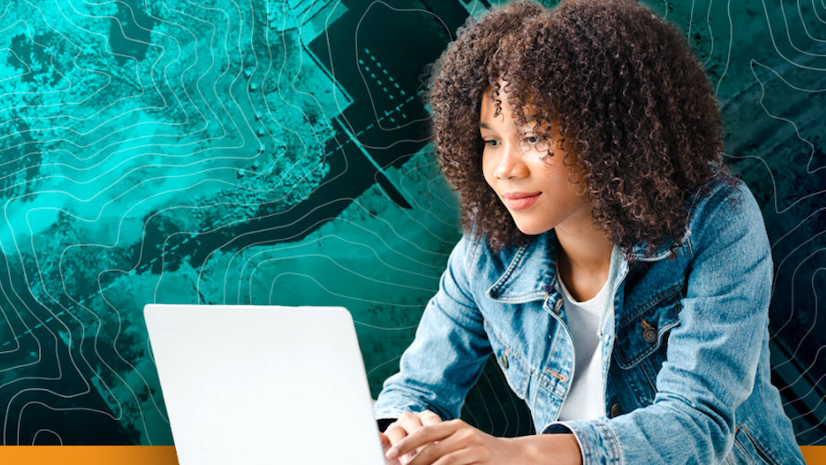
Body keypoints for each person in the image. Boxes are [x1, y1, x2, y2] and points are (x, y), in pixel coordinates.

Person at [372, 0, 805, 464]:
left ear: (609, 132)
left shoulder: (716, 220)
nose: (503, 169)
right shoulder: (486, 253)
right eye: (492, 140)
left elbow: (696, 423)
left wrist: (517, 455)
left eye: (535, 136)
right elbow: (416, 391)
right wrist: (400, 430)